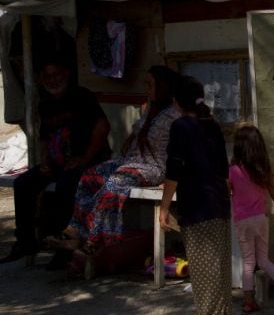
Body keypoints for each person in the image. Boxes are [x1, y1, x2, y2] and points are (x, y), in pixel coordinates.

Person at [49, 65, 180, 256]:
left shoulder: (173, 115)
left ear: (163, 87)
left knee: (114, 184)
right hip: (129, 162)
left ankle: (93, 240)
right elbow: (136, 131)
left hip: (152, 167)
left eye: (151, 85)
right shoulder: (151, 108)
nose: (147, 88)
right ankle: (75, 229)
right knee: (89, 176)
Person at [1, 57, 110, 266]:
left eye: (57, 75)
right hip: (60, 162)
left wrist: (85, 157)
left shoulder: (81, 96)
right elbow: (45, 138)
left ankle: (65, 248)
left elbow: (103, 126)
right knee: (22, 183)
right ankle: (25, 242)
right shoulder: (45, 104)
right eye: (47, 77)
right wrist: (45, 161)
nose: (53, 80)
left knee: (66, 186)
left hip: (88, 161)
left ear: (66, 74)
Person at [159, 76, 232, 315]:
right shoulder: (210, 125)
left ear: (177, 102)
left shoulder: (182, 126)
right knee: (218, 261)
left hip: (198, 202)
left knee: (204, 264)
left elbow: (173, 170)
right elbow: (224, 168)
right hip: (219, 201)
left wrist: (164, 207)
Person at [229, 124, 274, 313]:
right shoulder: (262, 170)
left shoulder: (233, 170)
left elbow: (226, 191)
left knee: (249, 262)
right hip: (261, 219)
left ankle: (249, 301)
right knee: (264, 260)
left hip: (243, 221)